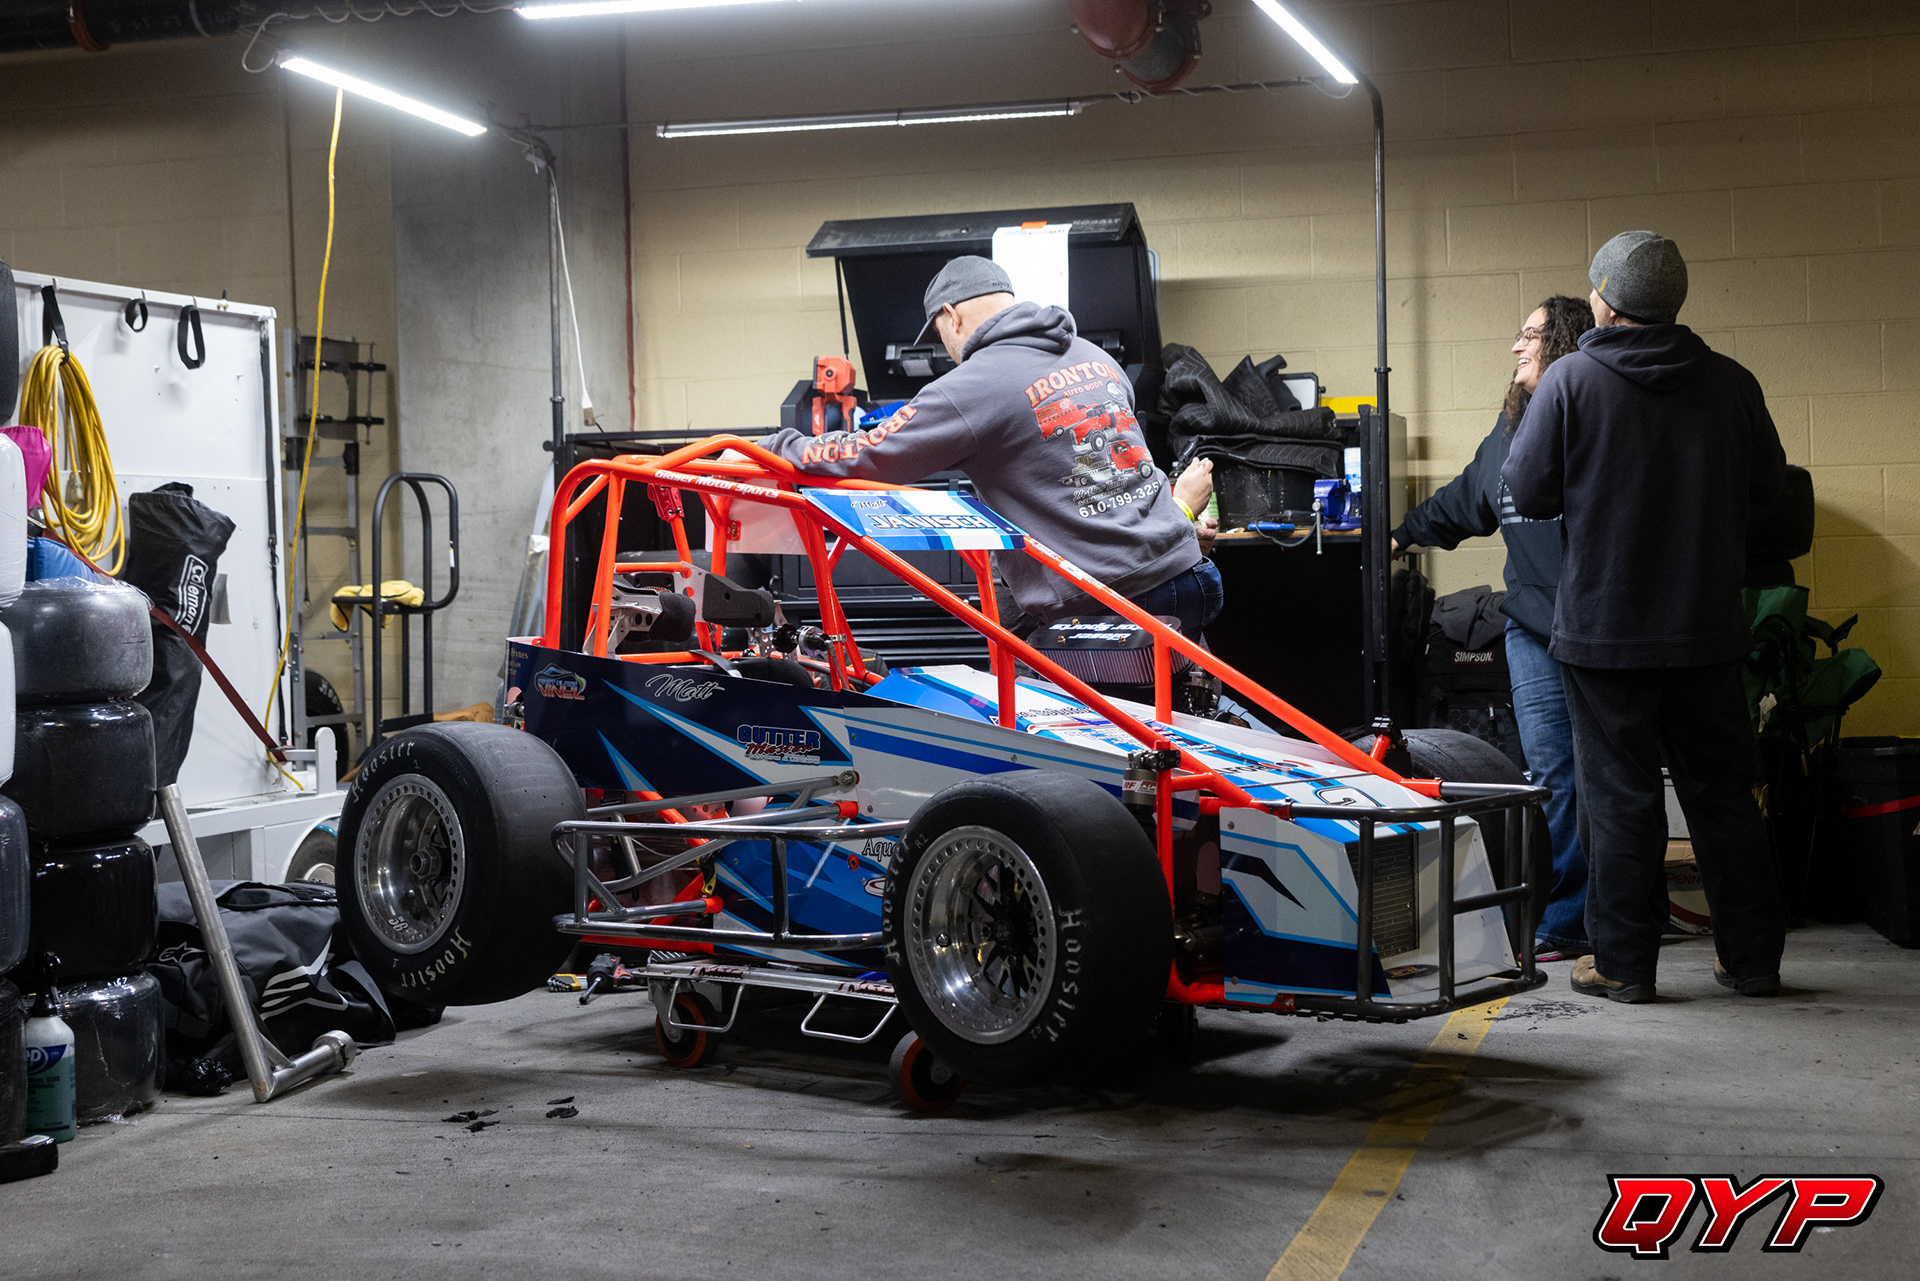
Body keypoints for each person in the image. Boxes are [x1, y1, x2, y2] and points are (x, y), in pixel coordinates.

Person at [1503, 230, 1788, 1004]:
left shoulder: (1570, 383)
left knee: (1620, 799)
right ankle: (1754, 959)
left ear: (1605, 298)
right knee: (1723, 796)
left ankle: (1624, 963)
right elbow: (1771, 493)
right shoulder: (1732, 383)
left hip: (1604, 631)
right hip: (1705, 629)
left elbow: (1526, 493)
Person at [758, 256, 1222, 638]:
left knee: (1068, 736)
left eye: (939, 332)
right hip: (1189, 575)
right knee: (1183, 723)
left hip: (1107, 601)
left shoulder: (971, 386)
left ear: (951, 315)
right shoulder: (1094, 357)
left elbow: (869, 452)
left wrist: (773, 448)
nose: (945, 347)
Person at [1389, 295, 1595, 961]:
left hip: (1598, 630)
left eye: (1531, 335)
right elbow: (1466, 500)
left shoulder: (1595, 418)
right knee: (1555, 775)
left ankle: (1623, 910)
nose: (1516, 346)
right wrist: (1399, 535)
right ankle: (1567, 918)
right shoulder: (1510, 429)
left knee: (1611, 778)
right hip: (1532, 630)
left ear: (1563, 341)